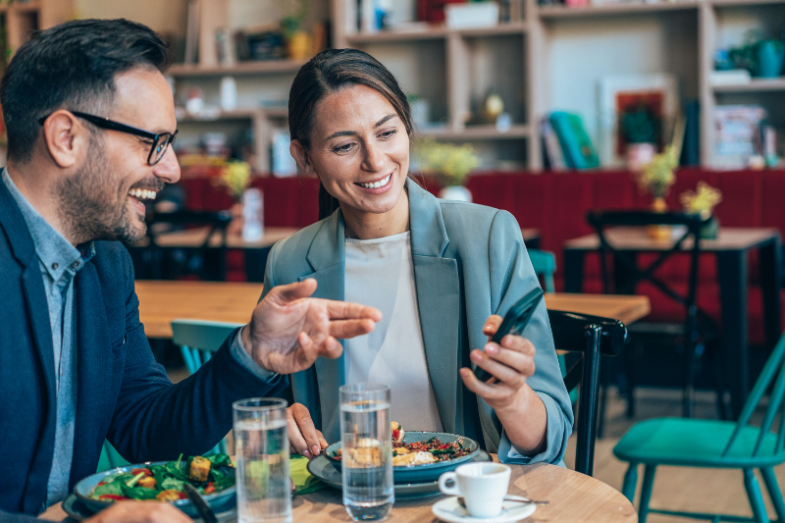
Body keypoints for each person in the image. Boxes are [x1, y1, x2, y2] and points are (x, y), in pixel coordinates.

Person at [0, 20, 381, 523]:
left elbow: (145, 427)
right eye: (153, 142)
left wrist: (248, 354)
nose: (172, 169)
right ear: (66, 137)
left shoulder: (107, 263)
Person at [266, 48, 573, 465]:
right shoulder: (290, 264)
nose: (375, 161)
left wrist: (514, 398)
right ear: (304, 157)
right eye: (344, 146)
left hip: (461, 500)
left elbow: (550, 437)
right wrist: (280, 422)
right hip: (352, 499)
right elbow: (275, 415)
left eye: (387, 133)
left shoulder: (487, 238)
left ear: (407, 129)